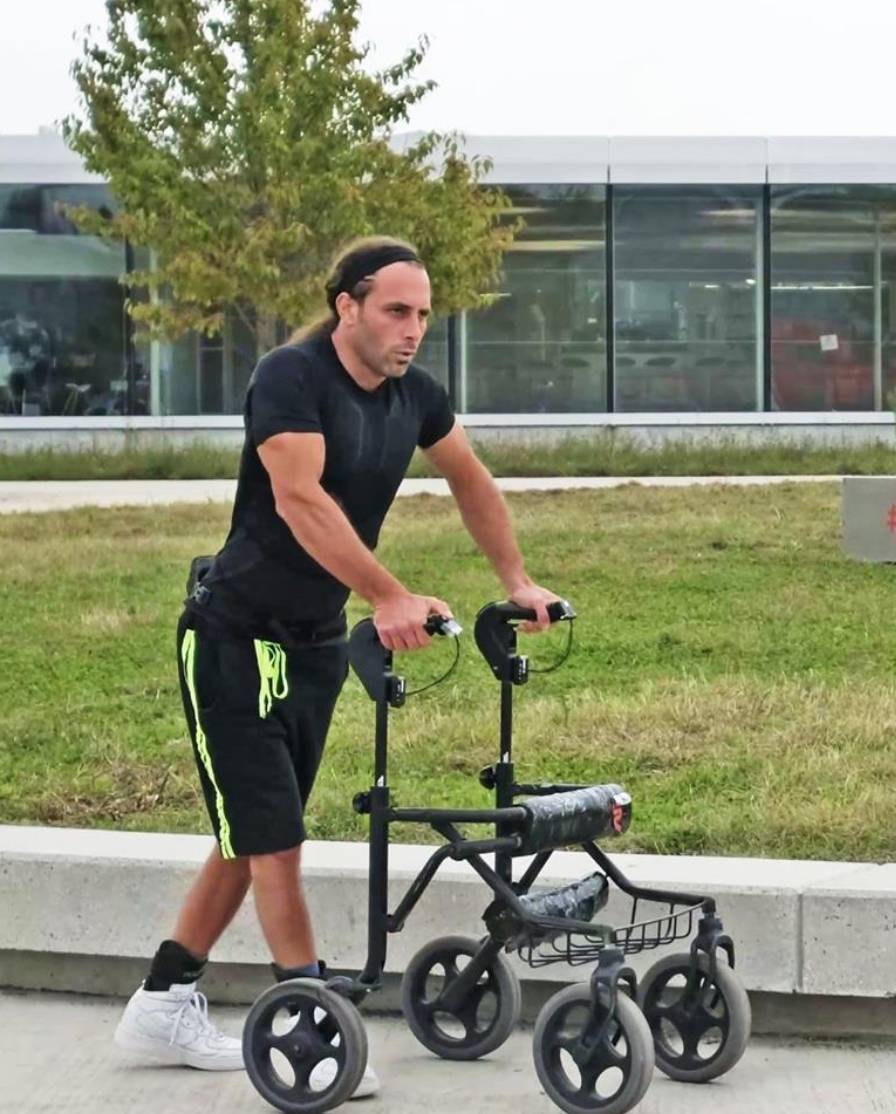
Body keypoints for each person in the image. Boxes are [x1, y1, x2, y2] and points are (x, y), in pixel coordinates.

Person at [112, 236, 564, 1097]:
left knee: (249, 836)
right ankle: (314, 1023)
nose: (414, 329)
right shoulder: (292, 376)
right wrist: (390, 594)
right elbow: (299, 500)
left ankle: (161, 1005)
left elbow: (469, 478)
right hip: (235, 637)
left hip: (315, 641)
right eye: (397, 310)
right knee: (273, 837)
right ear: (346, 305)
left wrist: (516, 580)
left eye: (425, 314)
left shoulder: (414, 396)